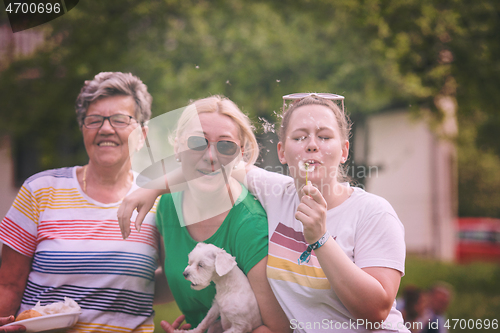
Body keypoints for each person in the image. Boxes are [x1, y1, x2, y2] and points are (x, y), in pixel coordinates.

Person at [119, 93, 409, 332]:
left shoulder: (373, 213)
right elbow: (212, 163)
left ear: (344, 150)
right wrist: (152, 187)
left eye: (324, 136)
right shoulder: (275, 192)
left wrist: (320, 238)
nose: (311, 145)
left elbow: (377, 311)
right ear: (282, 152)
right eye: (299, 137)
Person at [0, 72, 160, 333]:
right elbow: (8, 284)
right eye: (94, 120)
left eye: (120, 120)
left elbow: (179, 274)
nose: (106, 129)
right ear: (83, 129)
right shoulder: (40, 190)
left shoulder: (158, 199)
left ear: (142, 135)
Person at [119, 96, 290, 333]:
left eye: (226, 145)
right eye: (198, 142)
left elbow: (278, 329)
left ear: (239, 154)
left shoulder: (250, 226)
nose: (211, 156)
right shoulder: (168, 204)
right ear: (178, 148)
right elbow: (176, 277)